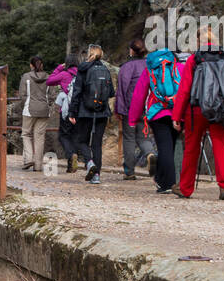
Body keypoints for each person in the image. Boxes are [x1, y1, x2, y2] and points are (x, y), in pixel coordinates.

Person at [171, 26, 224, 200]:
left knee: (191, 149)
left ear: (197, 42)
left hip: (197, 110)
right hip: (220, 110)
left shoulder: (194, 59)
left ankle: (185, 188)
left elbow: (184, 90)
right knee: (221, 146)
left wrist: (177, 115)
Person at [127, 45, 182, 194]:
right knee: (169, 148)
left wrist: (132, 119)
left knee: (164, 148)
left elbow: (139, 95)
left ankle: (168, 184)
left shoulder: (150, 70)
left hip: (157, 113)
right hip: (177, 113)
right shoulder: (179, 68)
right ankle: (163, 180)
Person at [66, 45, 114, 184]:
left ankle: (89, 163)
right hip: (102, 111)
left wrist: (72, 112)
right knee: (97, 144)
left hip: (85, 111)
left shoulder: (83, 69)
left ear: (89, 54)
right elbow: (111, 92)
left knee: (81, 141)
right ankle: (96, 176)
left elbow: (77, 92)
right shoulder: (105, 69)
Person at [115, 39, 155, 180]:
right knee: (144, 137)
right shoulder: (150, 65)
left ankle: (129, 171)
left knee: (129, 138)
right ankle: (150, 153)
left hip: (130, 108)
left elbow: (122, 90)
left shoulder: (126, 67)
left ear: (132, 50)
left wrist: (119, 110)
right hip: (147, 107)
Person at [16, 56, 51, 171]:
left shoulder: (26, 77)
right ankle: (38, 165)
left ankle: (29, 158)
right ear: (42, 65)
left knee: (26, 134)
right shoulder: (49, 77)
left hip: (29, 109)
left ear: (31, 65)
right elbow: (52, 95)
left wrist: (24, 106)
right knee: (39, 137)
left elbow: (22, 95)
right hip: (44, 110)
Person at [47, 54, 80, 172]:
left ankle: (71, 155)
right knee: (75, 136)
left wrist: (59, 68)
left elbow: (49, 81)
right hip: (79, 109)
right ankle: (71, 165)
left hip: (66, 110)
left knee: (63, 136)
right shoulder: (82, 74)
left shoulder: (64, 74)